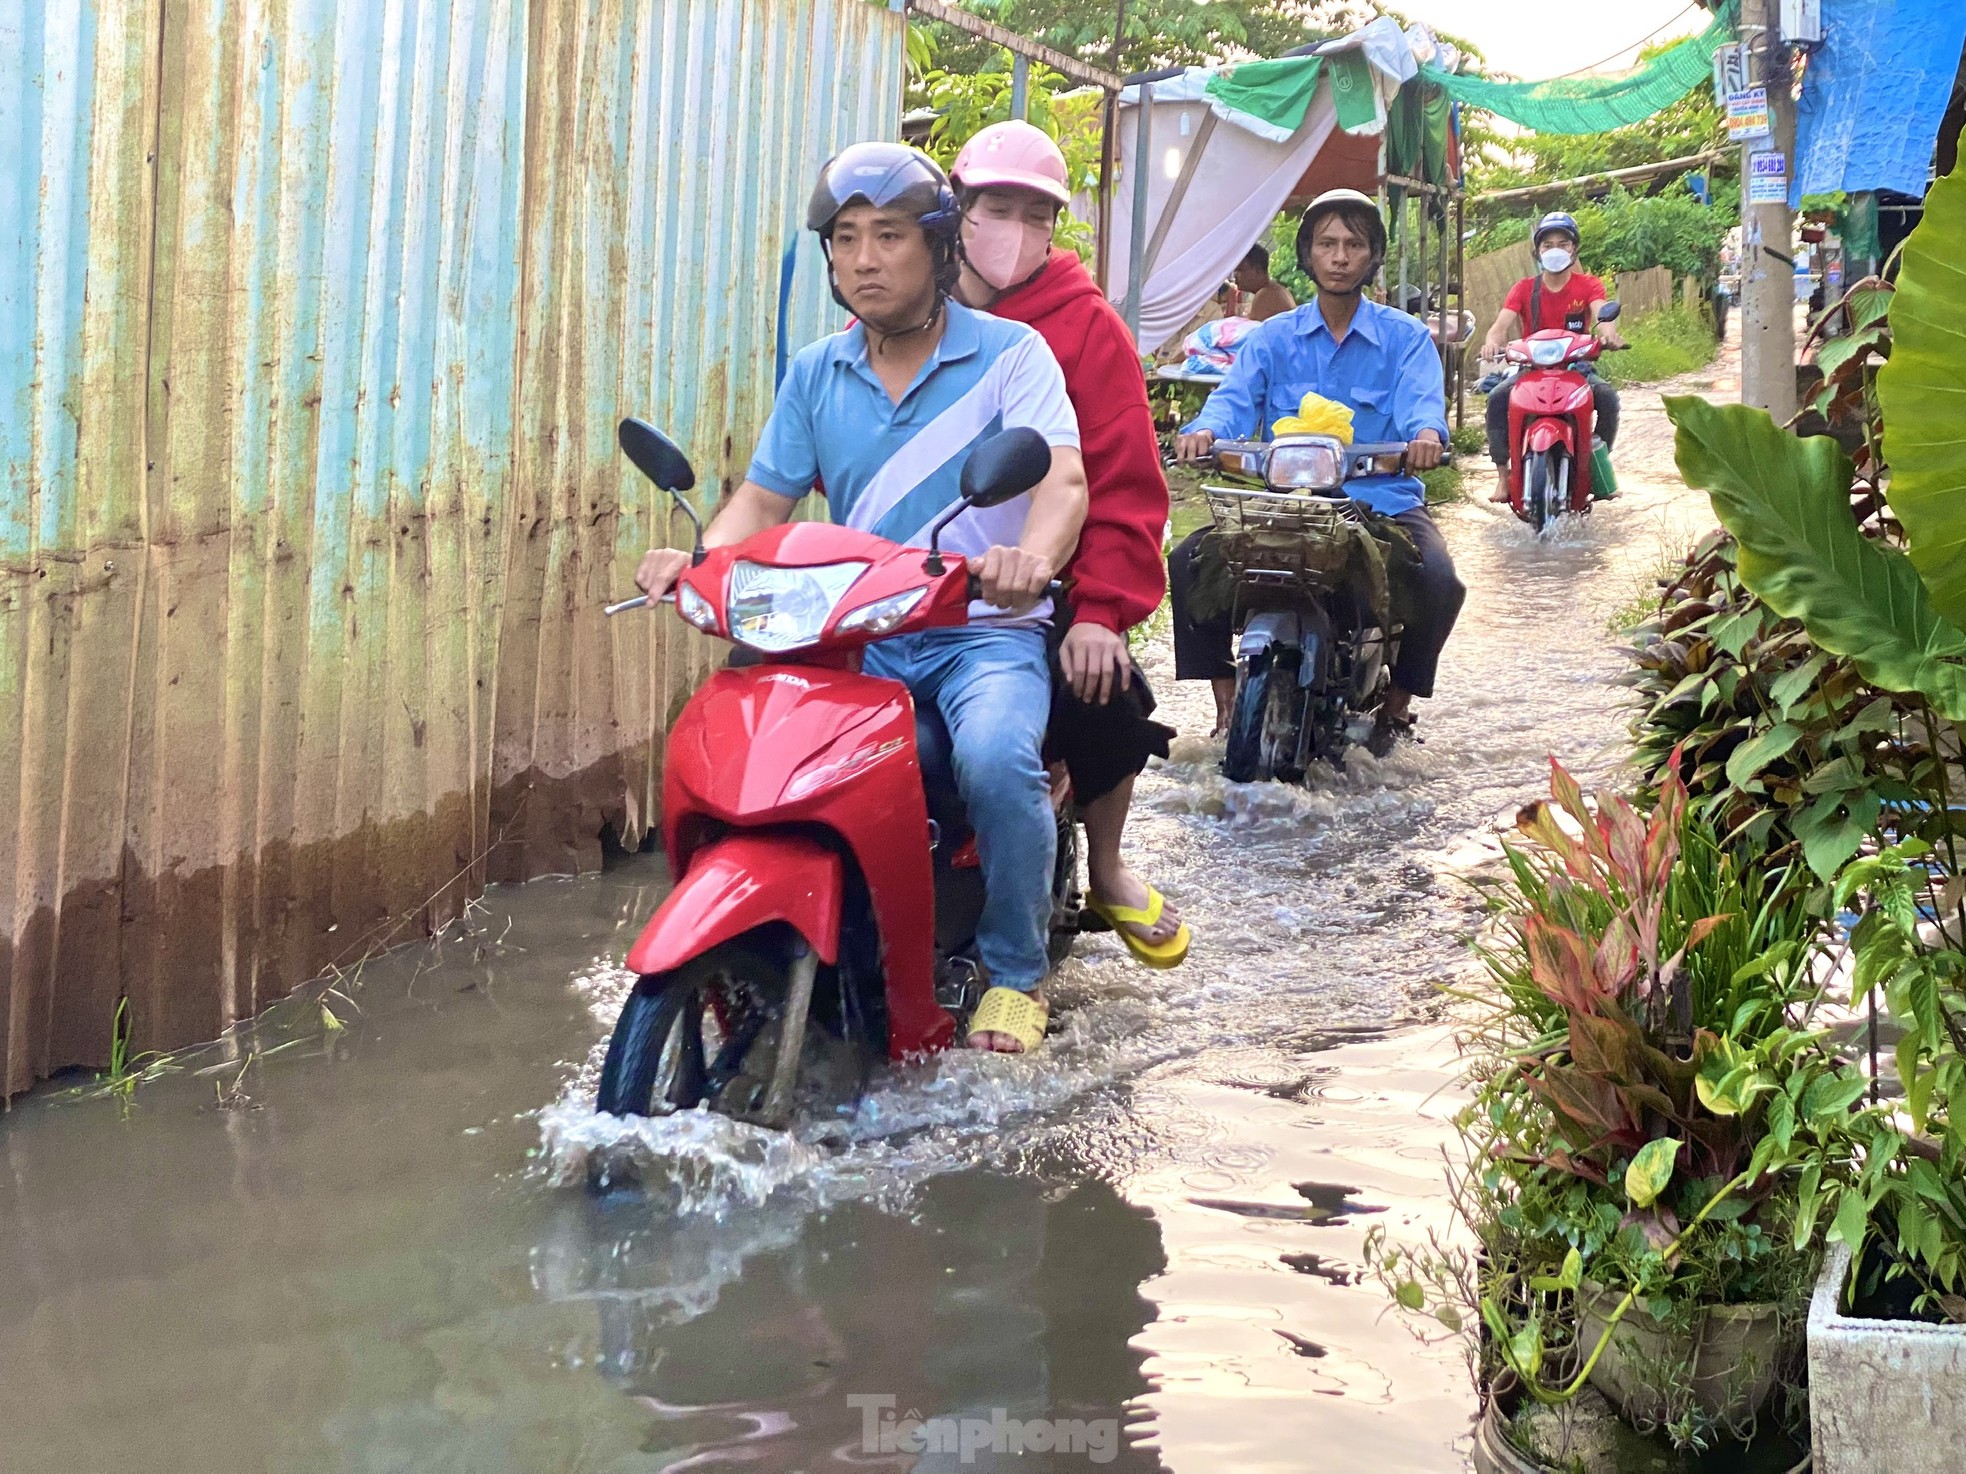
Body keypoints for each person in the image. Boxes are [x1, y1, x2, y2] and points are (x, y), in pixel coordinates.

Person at [632, 143, 1089, 1055]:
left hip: (977, 629)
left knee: (996, 759)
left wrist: (1028, 561)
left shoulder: (1013, 356)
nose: (864, 259)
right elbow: (765, 498)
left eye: (889, 235)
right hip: (853, 630)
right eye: (845, 239)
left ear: (939, 246)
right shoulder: (816, 371)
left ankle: (1013, 972)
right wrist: (697, 559)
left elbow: (1064, 483)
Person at [948, 119, 1189, 970]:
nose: (1011, 229)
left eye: (1032, 213)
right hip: (915, 586)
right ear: (958, 211)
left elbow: (1122, 486)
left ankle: (1109, 863)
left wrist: (1099, 611)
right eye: (993, 207)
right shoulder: (914, 316)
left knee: (1100, 692)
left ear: (1054, 226)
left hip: (1041, 591)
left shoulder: (1084, 328)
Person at [1168, 189, 1463, 747]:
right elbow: (1231, 402)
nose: (1340, 256)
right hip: (1286, 505)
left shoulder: (1405, 338)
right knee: (1187, 560)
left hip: (1382, 503)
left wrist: (1426, 436)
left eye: (1354, 244)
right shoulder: (1271, 339)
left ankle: (1396, 709)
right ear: (1308, 255)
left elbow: (1424, 404)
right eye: (1327, 243)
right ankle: (1227, 703)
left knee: (1439, 579)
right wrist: (1204, 432)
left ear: (1373, 255)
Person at [1477, 211, 1626, 502]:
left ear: (1574, 249)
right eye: (1548, 245)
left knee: (1607, 397)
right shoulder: (1523, 289)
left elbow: (1602, 315)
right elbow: (1499, 328)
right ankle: (1503, 477)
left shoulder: (1588, 285)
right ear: (1538, 251)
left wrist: (1608, 334)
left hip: (1576, 368)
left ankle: (1596, 466)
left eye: (1563, 243)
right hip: (1531, 369)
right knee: (1497, 398)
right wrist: (1491, 343)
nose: (1555, 250)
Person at [1233, 242, 1297, 322]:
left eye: (1240, 270)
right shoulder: (1275, 289)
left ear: (1257, 270)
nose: (1235, 275)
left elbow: (1253, 332)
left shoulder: (1266, 294)